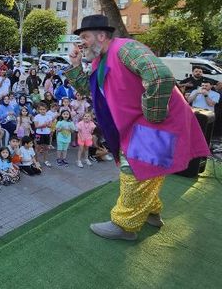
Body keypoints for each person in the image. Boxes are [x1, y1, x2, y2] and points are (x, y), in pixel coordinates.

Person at [66, 14, 209, 240]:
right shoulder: (99, 61)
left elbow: (160, 77)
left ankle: (125, 226)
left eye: (84, 37)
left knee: (132, 168)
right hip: (141, 125)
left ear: (101, 36)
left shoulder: (126, 48)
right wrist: (74, 66)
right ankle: (151, 212)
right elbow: (90, 92)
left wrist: (151, 117)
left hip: (153, 123)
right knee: (148, 169)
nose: (80, 43)